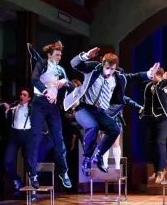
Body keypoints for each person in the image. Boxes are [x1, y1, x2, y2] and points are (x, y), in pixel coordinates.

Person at [65, 47, 153, 176]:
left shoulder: (117, 76)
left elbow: (134, 77)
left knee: (115, 129)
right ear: (102, 65)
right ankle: (87, 160)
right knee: (93, 127)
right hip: (83, 108)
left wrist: (149, 74)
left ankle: (99, 156)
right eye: (107, 68)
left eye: (112, 69)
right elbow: (74, 63)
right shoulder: (93, 69)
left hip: (98, 111)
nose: (109, 72)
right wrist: (86, 56)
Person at [29, 41, 75, 188]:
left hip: (52, 106)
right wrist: (46, 91)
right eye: (56, 55)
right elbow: (34, 79)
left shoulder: (60, 70)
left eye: (60, 55)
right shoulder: (42, 64)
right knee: (35, 138)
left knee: (59, 139)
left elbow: (71, 86)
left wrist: (65, 81)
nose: (59, 57)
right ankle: (33, 174)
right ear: (49, 55)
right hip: (39, 103)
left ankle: (64, 172)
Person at [135, 66, 167, 183]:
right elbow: (138, 82)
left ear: (160, 76)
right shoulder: (149, 85)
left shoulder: (166, 83)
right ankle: (157, 170)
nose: (152, 76)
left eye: (154, 75)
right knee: (150, 143)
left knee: (159, 142)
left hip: (164, 117)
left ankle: (161, 170)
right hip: (152, 117)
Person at [0, 89, 37, 198]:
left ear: (29, 98)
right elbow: (2, 106)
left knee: (29, 161)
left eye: (24, 95)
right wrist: (5, 107)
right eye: (21, 94)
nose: (21, 96)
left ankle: (33, 189)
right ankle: (17, 181)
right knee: (7, 161)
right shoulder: (14, 105)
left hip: (27, 134)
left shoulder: (32, 108)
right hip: (14, 135)